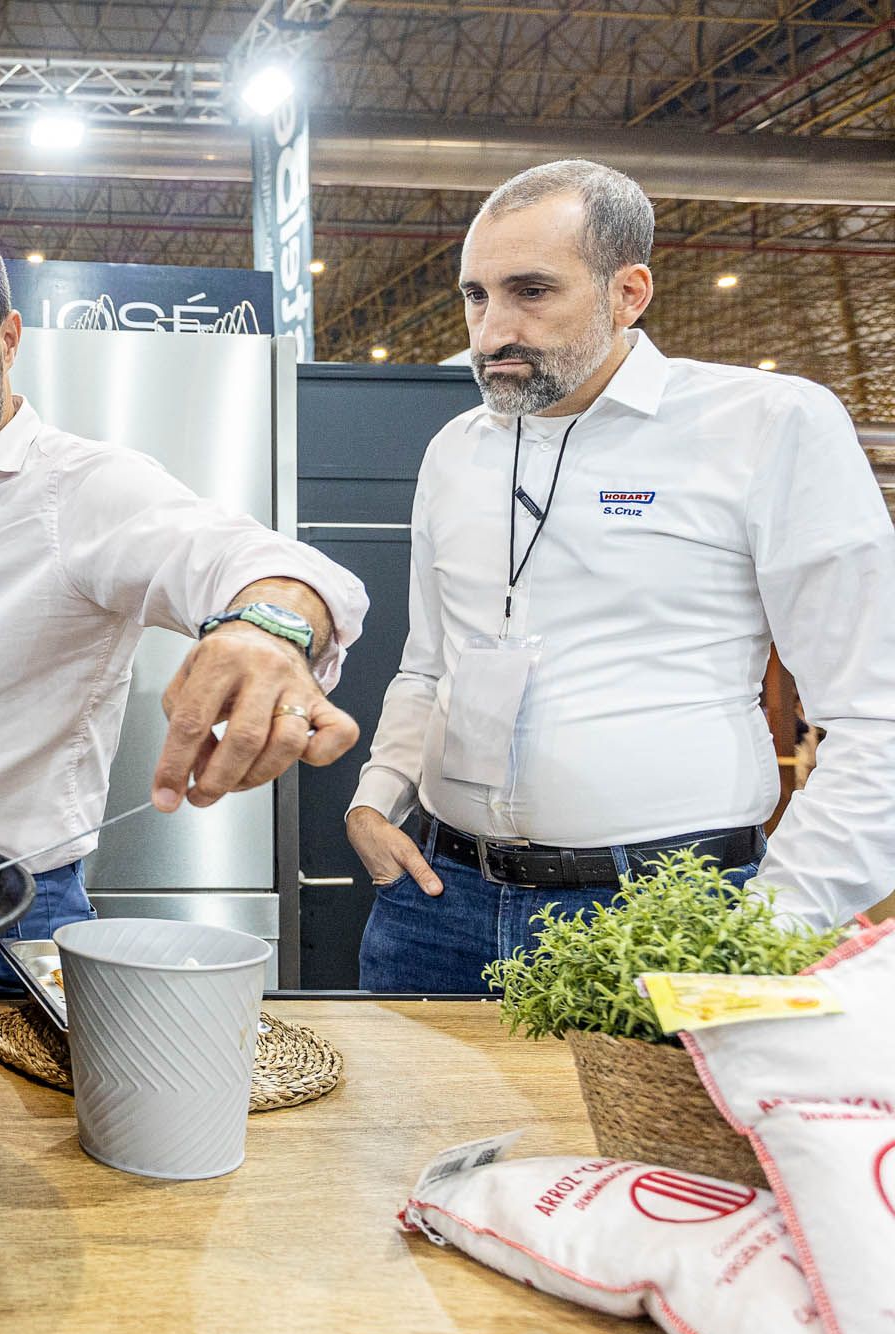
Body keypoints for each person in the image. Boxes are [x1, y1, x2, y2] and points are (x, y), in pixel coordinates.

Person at [346, 159, 895, 993]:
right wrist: (375, 799)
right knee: (408, 1127)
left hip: (667, 913)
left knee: (637, 1133)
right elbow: (431, 662)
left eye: (531, 292)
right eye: (475, 296)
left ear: (627, 292)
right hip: (434, 903)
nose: (491, 332)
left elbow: (876, 714)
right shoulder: (457, 447)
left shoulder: (766, 425)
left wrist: (770, 928)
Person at [0, 223, 369, 994]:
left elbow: (252, 560)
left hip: (5, 922)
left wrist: (270, 629)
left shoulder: (83, 490)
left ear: (8, 340)